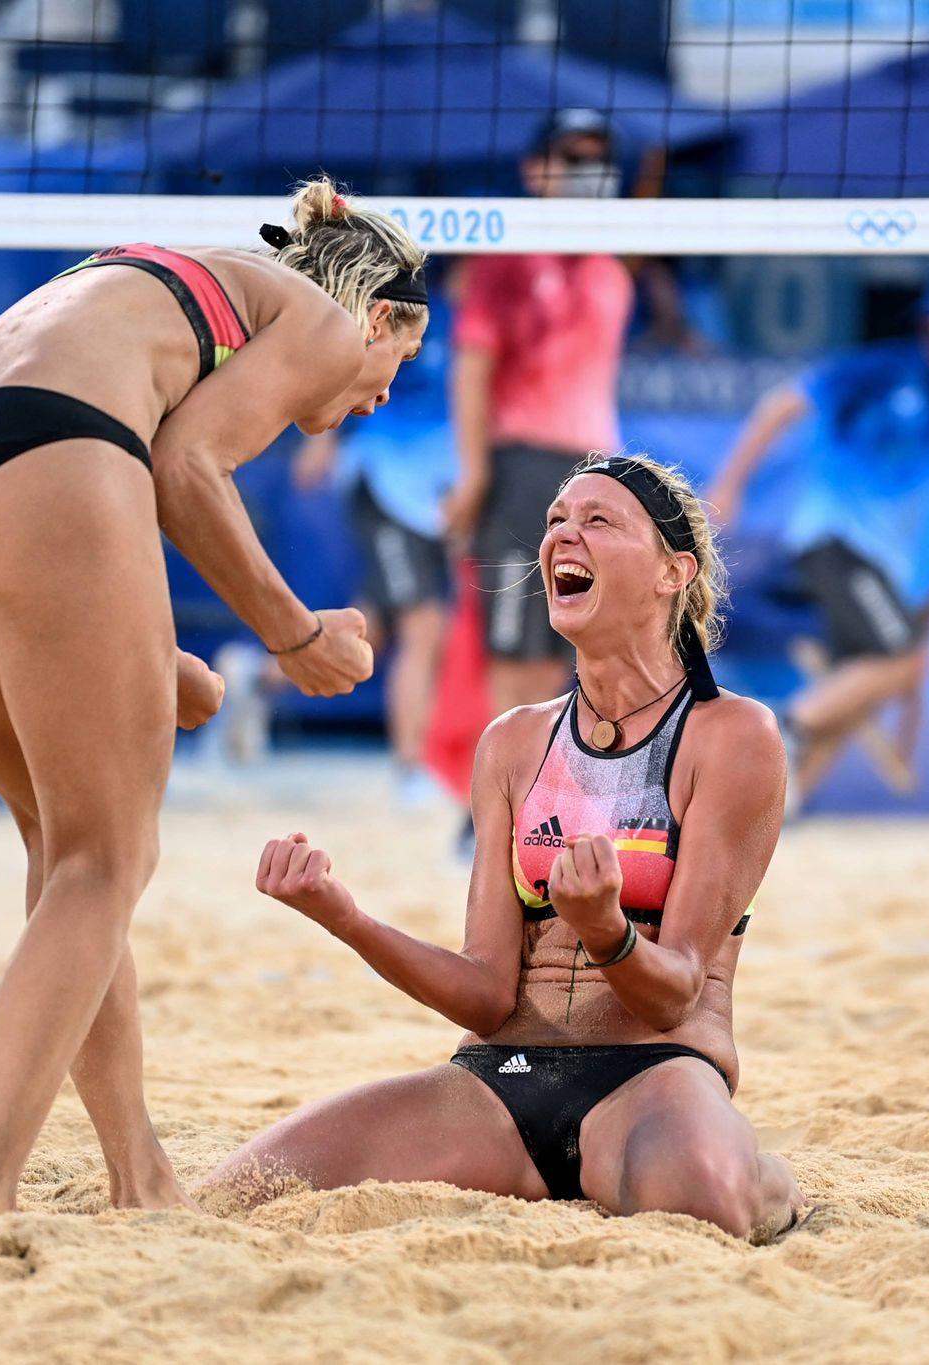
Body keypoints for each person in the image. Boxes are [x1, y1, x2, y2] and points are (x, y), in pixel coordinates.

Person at [0, 179, 424, 1226]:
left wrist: (158, 662)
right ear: (382, 314)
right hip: (43, 457)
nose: (381, 393)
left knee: (60, 846)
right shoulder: (333, 330)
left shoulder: (169, 277)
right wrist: (295, 635)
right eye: (401, 364)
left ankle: (137, 1173)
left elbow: (78, 499)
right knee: (104, 862)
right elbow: (179, 467)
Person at [203, 456, 804, 1243]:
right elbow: (487, 994)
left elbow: (675, 993)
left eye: (597, 520)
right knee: (241, 1189)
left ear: (672, 571)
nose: (563, 534)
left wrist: (604, 928)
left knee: (699, 1202)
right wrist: (344, 917)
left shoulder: (731, 735)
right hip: (499, 1082)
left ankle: (764, 1176)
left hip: (653, 1075)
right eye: (557, 519)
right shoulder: (514, 742)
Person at [708, 270, 929, 805]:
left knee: (859, 689)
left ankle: (783, 805)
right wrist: (731, 484)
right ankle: (782, 729)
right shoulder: (879, 371)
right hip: (830, 539)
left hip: (886, 557)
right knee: (906, 663)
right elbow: (781, 406)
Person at [445, 108, 636, 718]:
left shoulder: (612, 269)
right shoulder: (504, 260)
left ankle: (545, 797)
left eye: (598, 160)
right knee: (509, 642)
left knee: (572, 638)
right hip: (521, 467)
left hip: (597, 468)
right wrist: (473, 473)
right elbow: (471, 369)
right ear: (536, 171)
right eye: (573, 159)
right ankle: (499, 801)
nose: (590, 173)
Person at [289, 297, 456, 800]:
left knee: (370, 628)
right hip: (384, 482)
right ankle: (411, 768)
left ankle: (253, 681)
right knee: (424, 625)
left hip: (428, 492)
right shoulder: (408, 302)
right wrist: (328, 433)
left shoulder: (465, 310)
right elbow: (363, 364)